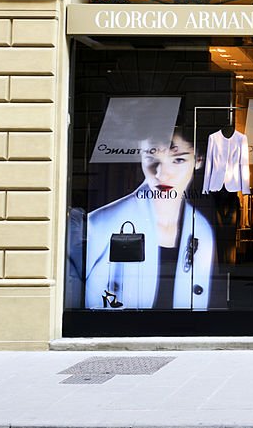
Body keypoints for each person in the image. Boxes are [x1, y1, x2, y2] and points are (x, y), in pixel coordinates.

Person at [85, 129, 215, 310]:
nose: (162, 173)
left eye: (178, 159)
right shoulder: (100, 224)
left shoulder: (202, 229)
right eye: (151, 157)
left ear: (198, 160)